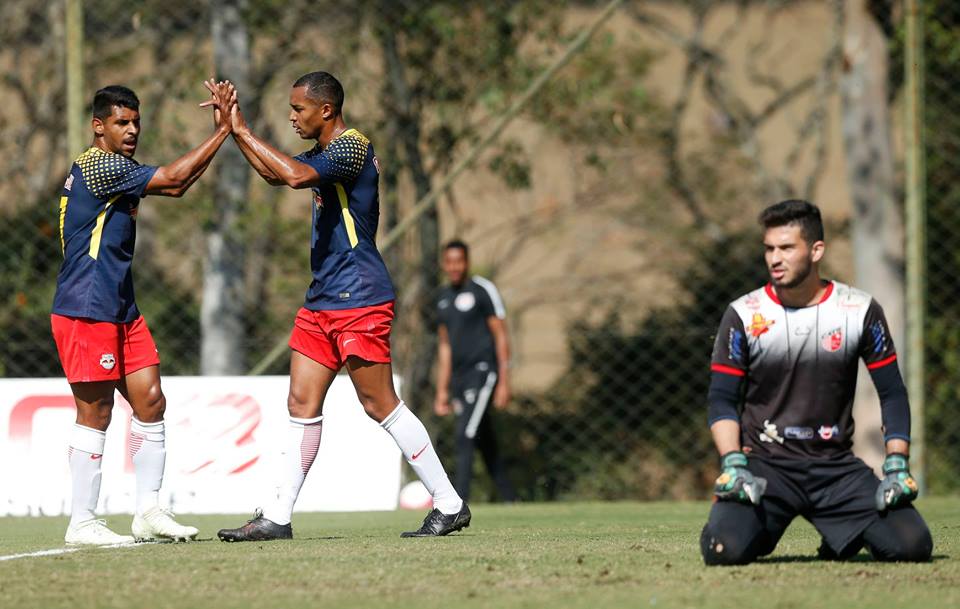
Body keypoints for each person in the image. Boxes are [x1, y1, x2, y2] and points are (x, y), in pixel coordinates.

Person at [216, 71, 469, 541]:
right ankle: (277, 516)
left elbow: (292, 176)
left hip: (360, 295)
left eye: (298, 109)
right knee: (301, 403)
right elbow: (276, 173)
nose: (292, 117)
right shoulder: (324, 153)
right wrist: (233, 130)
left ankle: (449, 502)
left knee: (378, 403)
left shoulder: (352, 147)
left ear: (326, 110)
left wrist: (245, 130)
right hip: (322, 298)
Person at [700, 199, 933, 565]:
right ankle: (735, 517)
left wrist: (897, 464)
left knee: (912, 546)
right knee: (723, 550)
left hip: (836, 469)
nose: (775, 258)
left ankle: (844, 533)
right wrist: (732, 461)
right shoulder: (744, 314)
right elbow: (722, 399)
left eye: (787, 248)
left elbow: (892, 393)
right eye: (769, 249)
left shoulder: (858, 311)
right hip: (765, 467)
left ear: (816, 249)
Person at [53, 81, 235, 545]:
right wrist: (223, 132)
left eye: (136, 121)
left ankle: (149, 510)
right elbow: (174, 180)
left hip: (120, 306)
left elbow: (176, 186)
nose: (132, 129)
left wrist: (219, 135)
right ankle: (82, 521)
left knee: (150, 400)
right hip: (86, 306)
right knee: (94, 413)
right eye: (121, 122)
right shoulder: (100, 167)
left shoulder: (121, 168)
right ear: (99, 126)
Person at [434, 240, 517, 502]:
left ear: (467, 262)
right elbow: (445, 346)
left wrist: (504, 380)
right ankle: (510, 499)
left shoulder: (483, 290)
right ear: (444, 264)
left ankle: (456, 504)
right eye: (450, 262)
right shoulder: (442, 299)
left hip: (483, 373)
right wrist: (442, 391)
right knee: (484, 439)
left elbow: (501, 335)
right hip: (459, 379)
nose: (454, 267)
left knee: (465, 434)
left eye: (459, 261)